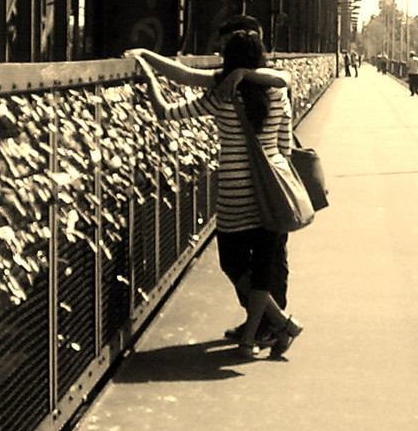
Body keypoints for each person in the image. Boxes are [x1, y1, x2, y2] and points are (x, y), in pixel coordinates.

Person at [127, 21, 304, 359]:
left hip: (234, 197)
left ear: (228, 59)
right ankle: (261, 334)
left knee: (234, 265)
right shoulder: (278, 92)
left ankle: (276, 326)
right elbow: (284, 144)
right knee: (264, 268)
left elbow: (168, 109)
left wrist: (148, 67)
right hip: (272, 194)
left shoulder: (220, 94)